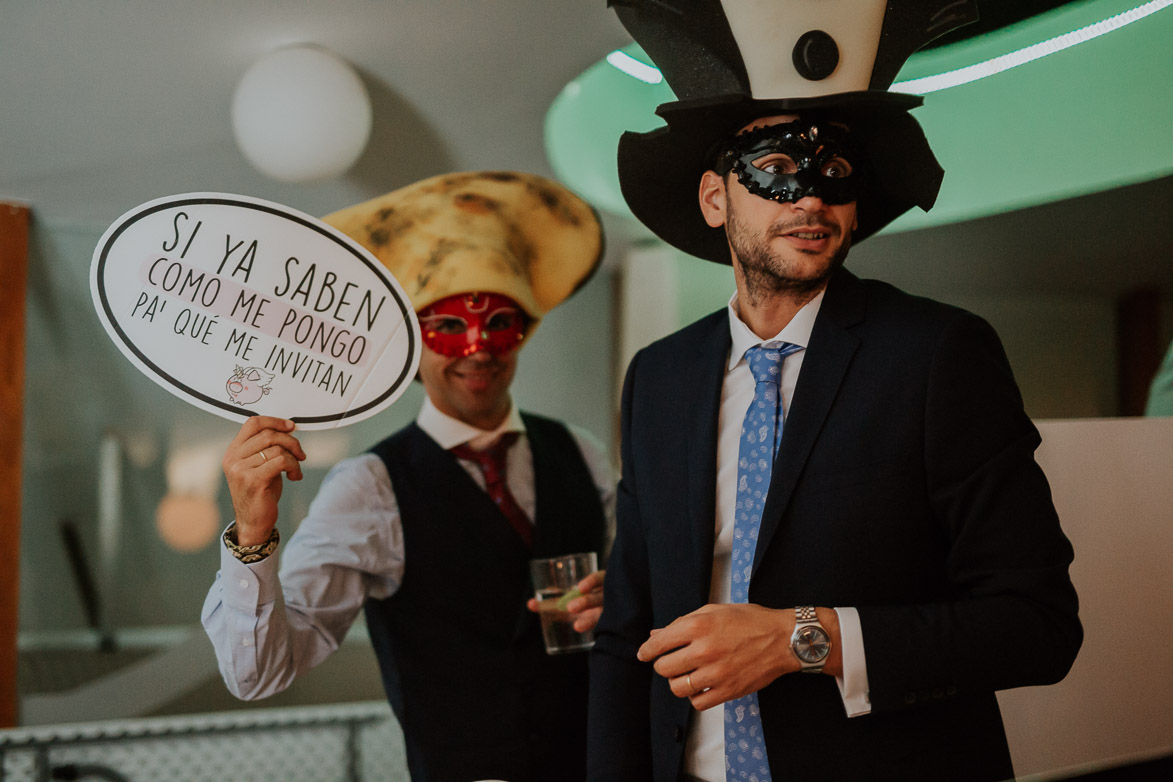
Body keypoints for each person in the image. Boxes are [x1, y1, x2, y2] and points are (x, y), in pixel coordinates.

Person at [587, 3, 1082, 781]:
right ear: (716, 199)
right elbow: (627, 634)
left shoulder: (935, 355)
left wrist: (800, 638)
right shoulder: (660, 377)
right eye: (777, 172)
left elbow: (1036, 626)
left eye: (835, 175)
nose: (810, 198)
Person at [202, 171, 615, 782]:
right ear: (409, 346)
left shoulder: (580, 451)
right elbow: (257, 674)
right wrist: (253, 533)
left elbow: (647, 585)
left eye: (499, 322)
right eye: (447, 327)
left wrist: (625, 599)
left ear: (523, 331)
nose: (477, 350)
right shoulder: (371, 485)